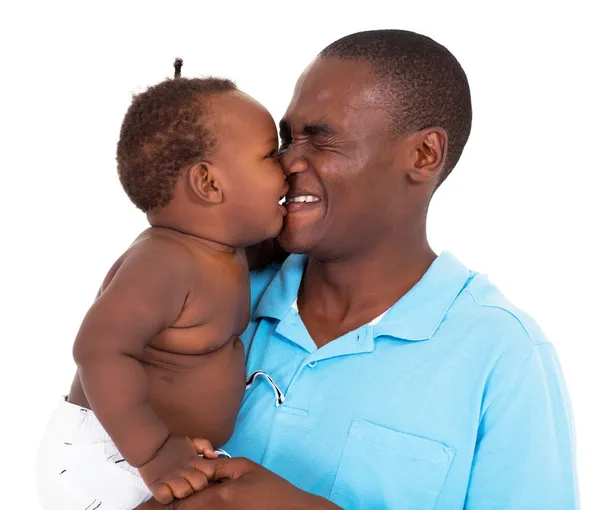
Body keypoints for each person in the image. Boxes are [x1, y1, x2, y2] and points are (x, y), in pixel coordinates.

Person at [137, 30, 579, 509]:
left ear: (423, 156)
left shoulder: (502, 355)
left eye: (320, 141)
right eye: (286, 140)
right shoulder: (211, 294)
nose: (287, 163)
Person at [35, 60, 289, 509]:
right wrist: (153, 451)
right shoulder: (164, 262)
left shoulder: (220, 249)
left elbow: (265, 250)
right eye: (271, 154)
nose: (286, 167)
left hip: (155, 456)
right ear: (209, 183)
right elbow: (99, 350)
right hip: (114, 455)